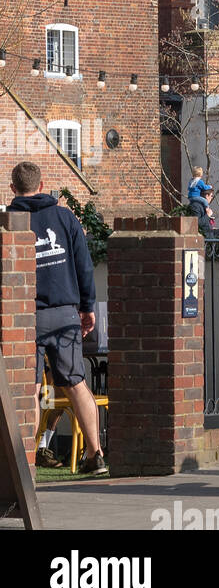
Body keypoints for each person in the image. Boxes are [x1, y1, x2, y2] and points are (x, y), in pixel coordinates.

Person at [7, 162, 107, 475]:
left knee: (30, 389)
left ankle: (26, 464)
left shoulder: (10, 222)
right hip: (65, 314)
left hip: (26, 317)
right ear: (42, 184)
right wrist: (87, 306)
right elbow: (84, 265)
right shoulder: (65, 218)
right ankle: (96, 454)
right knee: (76, 384)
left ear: (13, 189)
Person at [187, 166, 214, 235]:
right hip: (202, 241)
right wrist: (208, 215)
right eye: (211, 196)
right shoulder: (196, 206)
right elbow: (197, 223)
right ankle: (207, 207)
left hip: (190, 196)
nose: (212, 198)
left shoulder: (191, 180)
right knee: (205, 202)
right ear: (206, 196)